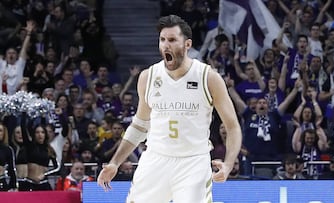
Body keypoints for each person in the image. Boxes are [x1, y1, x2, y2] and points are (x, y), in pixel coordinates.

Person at [97, 15, 242, 203]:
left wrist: (229, 164)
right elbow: (140, 126)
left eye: (172, 40)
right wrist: (115, 162)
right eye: (162, 40)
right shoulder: (147, 77)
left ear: (187, 44)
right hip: (156, 159)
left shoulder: (208, 77)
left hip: (193, 162)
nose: (166, 45)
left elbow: (232, 127)